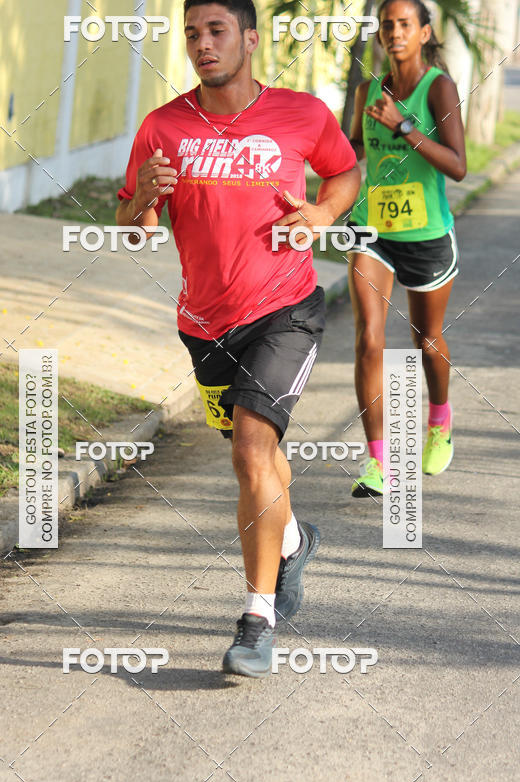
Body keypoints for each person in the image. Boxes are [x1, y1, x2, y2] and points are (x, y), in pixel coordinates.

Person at [116, 0, 360, 677]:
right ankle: (292, 539)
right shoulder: (162, 126)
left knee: (253, 446)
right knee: (259, 460)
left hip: (286, 308)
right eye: (192, 33)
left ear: (249, 39)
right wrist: (140, 199)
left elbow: (345, 172)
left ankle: (257, 618)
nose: (202, 44)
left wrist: (322, 212)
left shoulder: (302, 113)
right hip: (204, 323)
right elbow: (130, 223)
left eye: (216, 31)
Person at [347, 0, 466, 497]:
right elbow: (353, 150)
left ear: (423, 32)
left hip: (424, 236)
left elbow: (458, 165)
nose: (393, 33)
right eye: (386, 25)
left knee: (426, 341)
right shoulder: (365, 91)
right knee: (369, 339)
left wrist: (405, 127)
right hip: (370, 229)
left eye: (403, 25)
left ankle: (439, 419)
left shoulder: (439, 88)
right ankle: (379, 464)